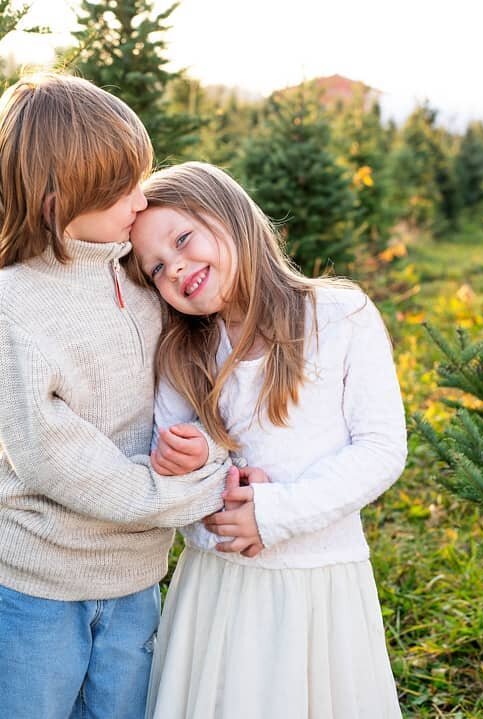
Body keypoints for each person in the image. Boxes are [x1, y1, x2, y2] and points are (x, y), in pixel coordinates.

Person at [0, 75, 234, 719]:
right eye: (121, 190)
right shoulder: (11, 305)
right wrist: (196, 493)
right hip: (41, 588)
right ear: (59, 199)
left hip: (135, 582)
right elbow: (55, 458)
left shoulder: (138, 278)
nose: (140, 200)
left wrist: (196, 451)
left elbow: (185, 387)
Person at [127, 162, 406, 719]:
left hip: (319, 585)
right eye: (156, 268)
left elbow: (381, 448)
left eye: (183, 239)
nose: (176, 267)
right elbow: (176, 472)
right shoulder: (182, 355)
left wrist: (275, 512)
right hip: (220, 589)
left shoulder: (338, 314)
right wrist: (210, 471)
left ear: (230, 214)